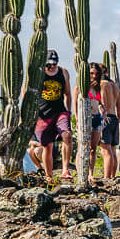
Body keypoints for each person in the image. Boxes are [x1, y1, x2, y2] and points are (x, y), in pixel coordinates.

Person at [26, 49, 73, 180]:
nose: (52, 67)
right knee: (48, 146)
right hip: (42, 114)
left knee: (67, 136)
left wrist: (68, 112)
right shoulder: (38, 74)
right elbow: (26, 92)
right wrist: (29, 112)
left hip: (60, 111)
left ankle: (65, 170)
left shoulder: (63, 72)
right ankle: (49, 176)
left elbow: (67, 93)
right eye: (49, 64)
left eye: (54, 64)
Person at [89, 62, 120, 179]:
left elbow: (103, 102)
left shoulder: (102, 85)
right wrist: (118, 118)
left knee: (105, 150)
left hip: (106, 117)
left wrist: (101, 113)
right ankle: (112, 176)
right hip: (114, 119)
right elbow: (119, 105)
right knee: (112, 149)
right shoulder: (114, 85)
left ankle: (107, 177)